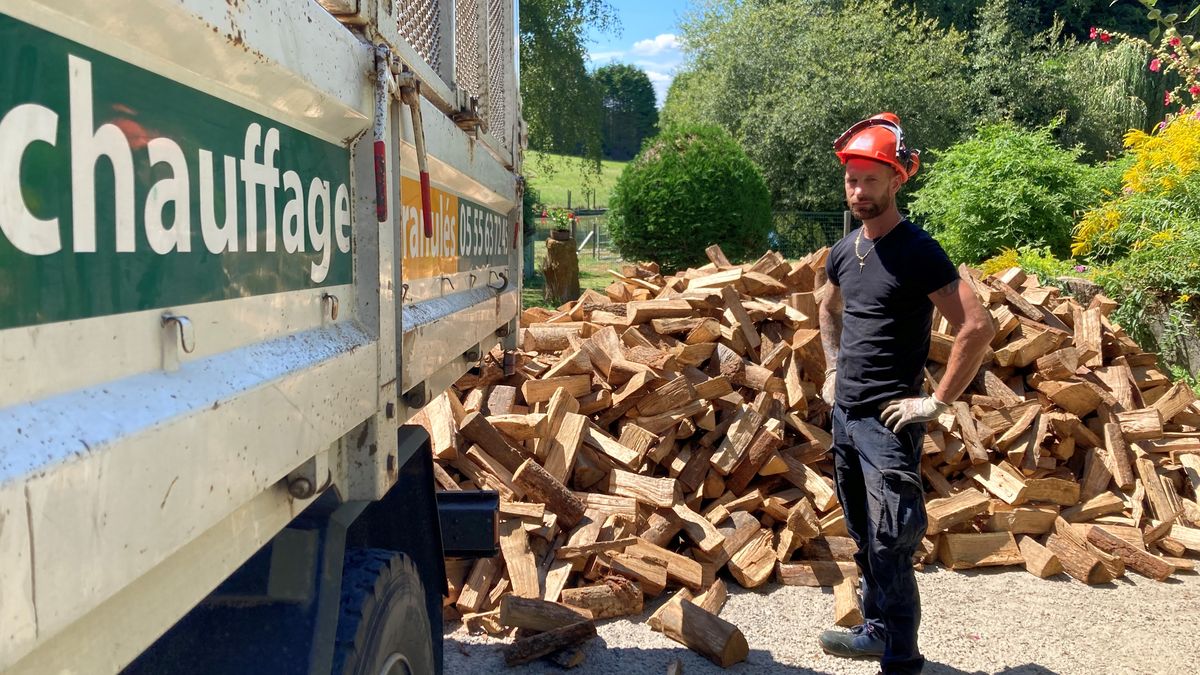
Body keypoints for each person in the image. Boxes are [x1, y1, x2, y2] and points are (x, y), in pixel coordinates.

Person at [817, 113, 996, 674]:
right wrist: (831, 366)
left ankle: (901, 657)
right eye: (852, 180)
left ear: (897, 181)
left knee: (894, 533)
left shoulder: (918, 249)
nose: (858, 191)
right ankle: (874, 629)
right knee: (862, 530)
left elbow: (977, 325)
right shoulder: (846, 250)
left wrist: (937, 401)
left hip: (889, 419)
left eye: (871, 180)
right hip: (846, 415)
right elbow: (827, 305)